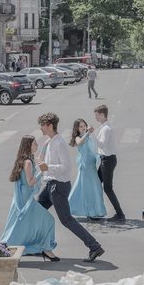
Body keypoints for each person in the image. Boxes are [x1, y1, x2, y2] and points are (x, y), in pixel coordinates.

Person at [36, 112, 105, 262]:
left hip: (59, 186)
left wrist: (48, 167)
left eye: (42, 125)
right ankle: (38, 246)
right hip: (50, 184)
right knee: (35, 212)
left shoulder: (59, 143)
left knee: (66, 220)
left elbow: (66, 168)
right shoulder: (49, 142)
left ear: (50, 125)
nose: (41, 128)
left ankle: (94, 246)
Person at [1, 135, 58, 259]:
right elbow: (31, 182)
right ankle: (45, 249)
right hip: (26, 202)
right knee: (49, 220)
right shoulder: (27, 162)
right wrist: (41, 172)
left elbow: (40, 158)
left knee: (24, 226)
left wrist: (47, 144)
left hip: (23, 199)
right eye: (34, 143)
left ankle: (43, 249)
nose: (36, 145)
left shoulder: (26, 160)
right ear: (28, 146)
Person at [68, 119, 106, 220]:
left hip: (91, 164)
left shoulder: (88, 136)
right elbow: (80, 143)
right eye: (80, 126)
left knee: (96, 187)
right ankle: (91, 212)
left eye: (84, 125)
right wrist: (88, 133)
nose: (83, 127)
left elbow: (96, 146)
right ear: (77, 129)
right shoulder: (78, 137)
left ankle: (98, 211)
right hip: (85, 166)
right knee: (88, 189)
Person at [94, 105, 126, 221]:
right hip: (106, 159)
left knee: (107, 188)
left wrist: (91, 134)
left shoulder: (106, 129)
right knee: (96, 184)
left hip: (108, 161)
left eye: (97, 115)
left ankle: (120, 214)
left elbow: (101, 144)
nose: (95, 118)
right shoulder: (104, 127)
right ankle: (96, 211)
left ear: (102, 115)